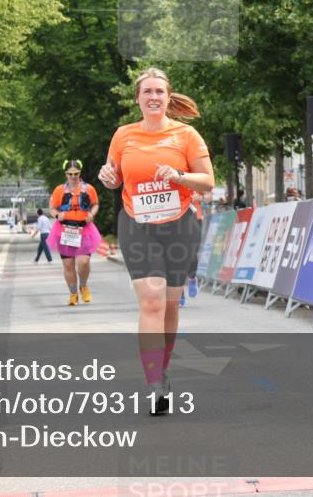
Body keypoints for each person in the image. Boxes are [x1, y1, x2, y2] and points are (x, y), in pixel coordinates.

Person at [98, 68, 214, 415]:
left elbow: (207, 182)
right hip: (138, 225)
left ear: (168, 97)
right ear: (137, 99)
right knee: (151, 301)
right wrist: (107, 178)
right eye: (147, 91)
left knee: (170, 305)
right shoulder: (123, 135)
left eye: (159, 92)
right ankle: (152, 383)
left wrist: (178, 176)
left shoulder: (186, 135)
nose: (153, 97)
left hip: (178, 225)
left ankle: (163, 370)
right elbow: (113, 178)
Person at [47, 160, 102, 305]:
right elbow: (52, 208)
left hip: (84, 229)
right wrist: (58, 215)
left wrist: (92, 213)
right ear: (65, 174)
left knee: (84, 262)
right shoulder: (59, 190)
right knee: (68, 265)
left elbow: (95, 204)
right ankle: (73, 293)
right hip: (65, 230)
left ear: (80, 173)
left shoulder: (89, 189)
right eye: (70, 174)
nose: (73, 176)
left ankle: (83, 285)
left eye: (76, 173)